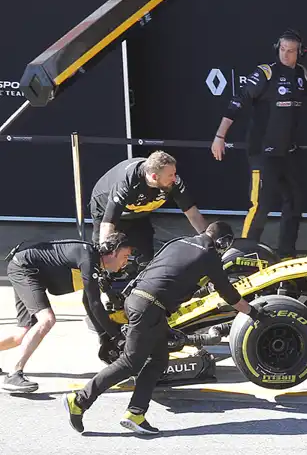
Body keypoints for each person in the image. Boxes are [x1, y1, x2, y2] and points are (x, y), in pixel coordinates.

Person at [62, 222, 262, 436]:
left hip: (140, 301)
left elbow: (165, 274)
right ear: (223, 242)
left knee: (158, 359)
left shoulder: (178, 242)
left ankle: (135, 413)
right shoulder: (209, 254)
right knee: (131, 362)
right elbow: (229, 295)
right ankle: (79, 400)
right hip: (150, 307)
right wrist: (253, 313)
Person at [211, 29, 307, 257]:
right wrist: (220, 136)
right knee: (261, 205)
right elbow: (238, 102)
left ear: (300, 53)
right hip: (262, 152)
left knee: (295, 201)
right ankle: (244, 255)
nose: (286, 54)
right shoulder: (266, 73)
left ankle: (286, 253)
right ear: (277, 48)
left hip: (288, 153)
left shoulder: (300, 73)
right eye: (282, 49)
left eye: (291, 51)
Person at [0, 234, 133, 393]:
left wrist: (104, 336)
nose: (125, 262)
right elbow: (95, 304)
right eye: (125, 256)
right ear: (112, 253)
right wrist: (117, 338)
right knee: (47, 320)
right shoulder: (88, 258)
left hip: (29, 271)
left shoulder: (95, 265)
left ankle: (14, 372)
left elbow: (88, 303)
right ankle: (13, 374)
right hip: (25, 269)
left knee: (22, 334)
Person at [90, 151, 206, 264]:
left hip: (139, 211)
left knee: (145, 257)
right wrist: (107, 251)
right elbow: (107, 224)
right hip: (106, 209)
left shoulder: (173, 182)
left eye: (175, 173)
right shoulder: (127, 182)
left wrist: (209, 239)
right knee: (107, 255)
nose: (174, 178)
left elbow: (192, 212)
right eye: (170, 175)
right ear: (154, 177)